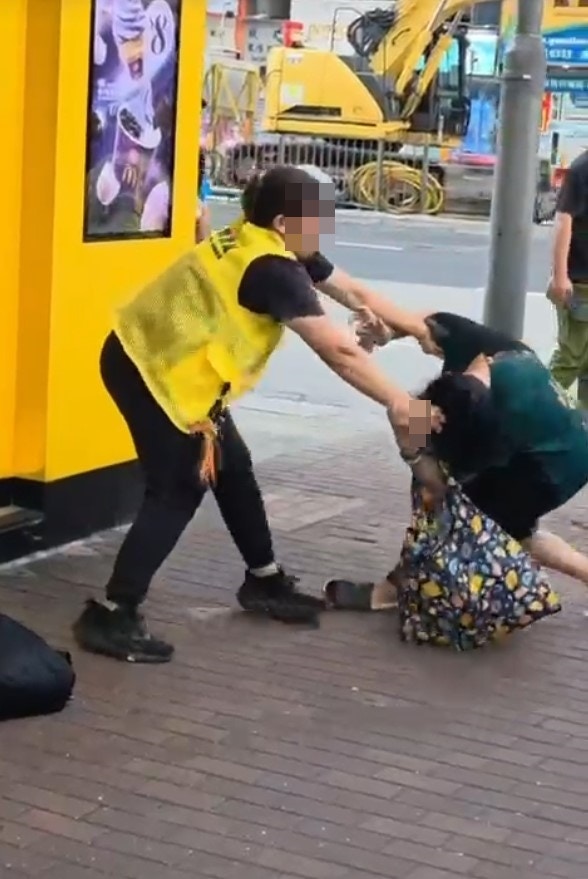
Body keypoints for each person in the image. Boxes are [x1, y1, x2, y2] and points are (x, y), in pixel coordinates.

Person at [73, 165, 438, 664]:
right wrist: (401, 403)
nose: (323, 228)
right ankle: (114, 613)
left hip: (161, 363)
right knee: (178, 488)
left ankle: (264, 581)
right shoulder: (271, 270)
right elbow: (339, 352)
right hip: (152, 373)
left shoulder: (264, 241)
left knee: (234, 470)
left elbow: (356, 293)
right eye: (317, 218)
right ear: (286, 222)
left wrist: (421, 331)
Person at [325, 312, 588, 616]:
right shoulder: (493, 351)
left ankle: (390, 592)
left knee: (453, 517)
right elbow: (425, 324)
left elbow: (437, 488)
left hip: (550, 468)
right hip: (575, 440)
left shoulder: (488, 434)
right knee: (510, 526)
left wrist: (408, 445)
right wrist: (388, 332)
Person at [548, 151, 588, 408]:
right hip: (581, 283)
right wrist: (560, 276)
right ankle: (537, 409)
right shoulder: (582, 169)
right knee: (570, 359)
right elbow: (564, 220)